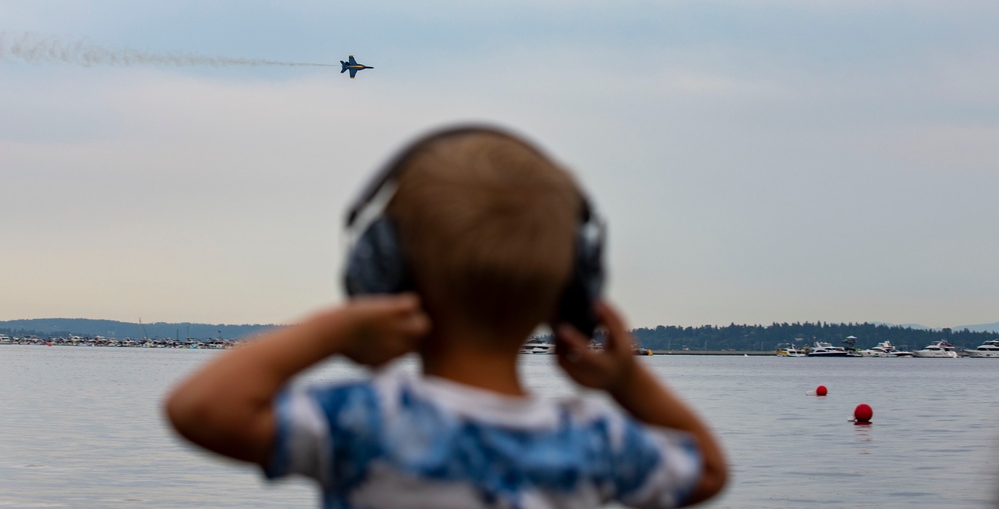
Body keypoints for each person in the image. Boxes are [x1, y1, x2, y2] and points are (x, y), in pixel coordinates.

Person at [164, 125, 727, 508]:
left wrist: (335, 330)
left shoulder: (364, 421)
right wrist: (628, 380)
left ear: (384, 276)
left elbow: (199, 408)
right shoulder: (596, 440)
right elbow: (707, 471)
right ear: (572, 293)